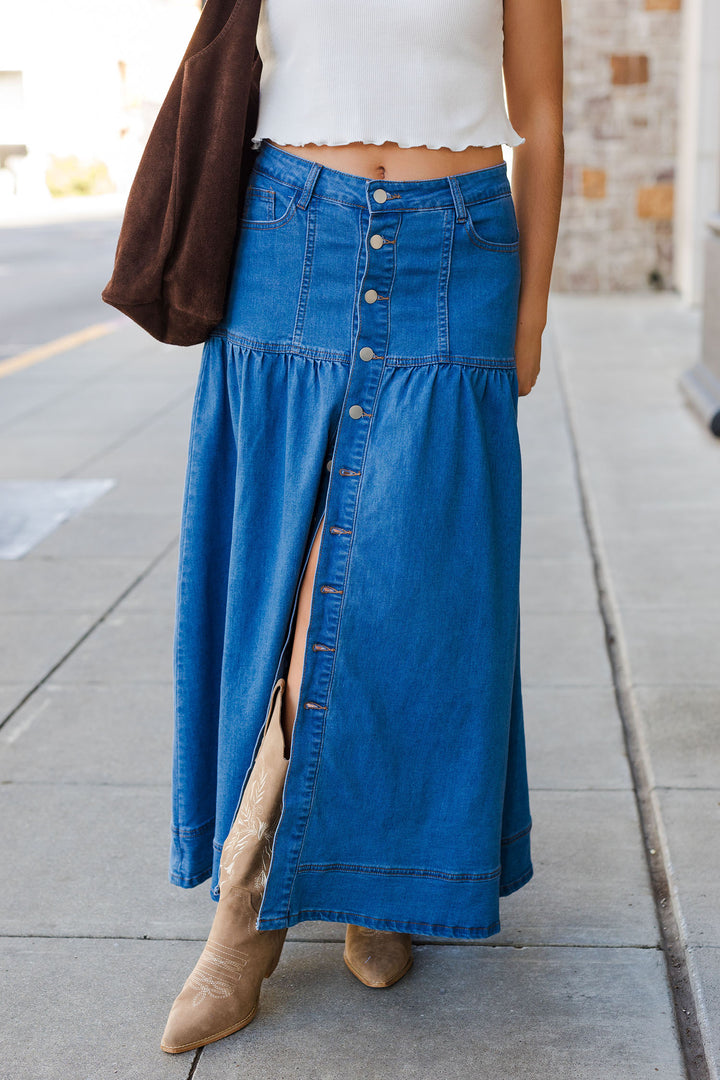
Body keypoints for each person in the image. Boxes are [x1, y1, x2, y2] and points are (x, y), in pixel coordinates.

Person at [161, 0, 564, 1054]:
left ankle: (378, 880)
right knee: (291, 582)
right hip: (291, 237)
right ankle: (246, 912)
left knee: (414, 585)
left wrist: (530, 315)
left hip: (459, 246)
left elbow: (547, 117)